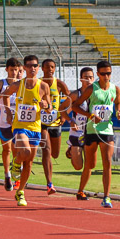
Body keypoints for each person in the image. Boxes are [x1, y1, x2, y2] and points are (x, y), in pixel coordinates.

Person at [0, 54, 52, 207]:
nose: (32, 68)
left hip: (35, 127)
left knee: (29, 162)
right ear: (24, 68)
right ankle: (15, 162)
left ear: (38, 68)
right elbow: (5, 96)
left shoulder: (43, 86)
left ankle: (20, 192)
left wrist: (46, 106)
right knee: (25, 152)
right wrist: (7, 111)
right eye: (29, 66)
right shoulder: (18, 85)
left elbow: (50, 107)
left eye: (35, 66)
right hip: (20, 126)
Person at [71, 60, 120, 208]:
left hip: (107, 130)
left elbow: (118, 102)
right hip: (92, 130)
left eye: (109, 73)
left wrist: (119, 112)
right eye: (103, 74)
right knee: (90, 164)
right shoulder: (91, 89)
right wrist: (90, 115)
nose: (106, 76)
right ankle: (80, 190)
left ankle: (106, 197)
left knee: (107, 162)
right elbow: (75, 105)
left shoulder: (115, 89)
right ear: (98, 74)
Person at [39, 58, 72, 195]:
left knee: (55, 154)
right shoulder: (38, 83)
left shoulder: (59, 84)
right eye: (47, 67)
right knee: (46, 150)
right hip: (41, 122)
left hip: (56, 122)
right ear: (43, 68)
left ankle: (68, 151)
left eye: (52, 67)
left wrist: (65, 115)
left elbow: (71, 100)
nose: (50, 69)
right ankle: (49, 183)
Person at [0, 57, 23, 191]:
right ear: (6, 70)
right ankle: (7, 174)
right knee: (7, 149)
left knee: (17, 150)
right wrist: (4, 93)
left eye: (16, 70)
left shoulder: (21, 84)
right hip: (4, 122)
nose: (14, 72)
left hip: (19, 122)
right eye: (12, 70)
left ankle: (16, 175)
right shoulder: (1, 83)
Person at [65, 67, 94, 173]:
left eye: (91, 77)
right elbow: (62, 110)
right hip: (77, 132)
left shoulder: (97, 94)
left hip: (91, 132)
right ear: (81, 79)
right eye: (86, 77)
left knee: (90, 164)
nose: (88, 80)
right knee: (78, 166)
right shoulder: (75, 95)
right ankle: (71, 149)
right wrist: (70, 121)